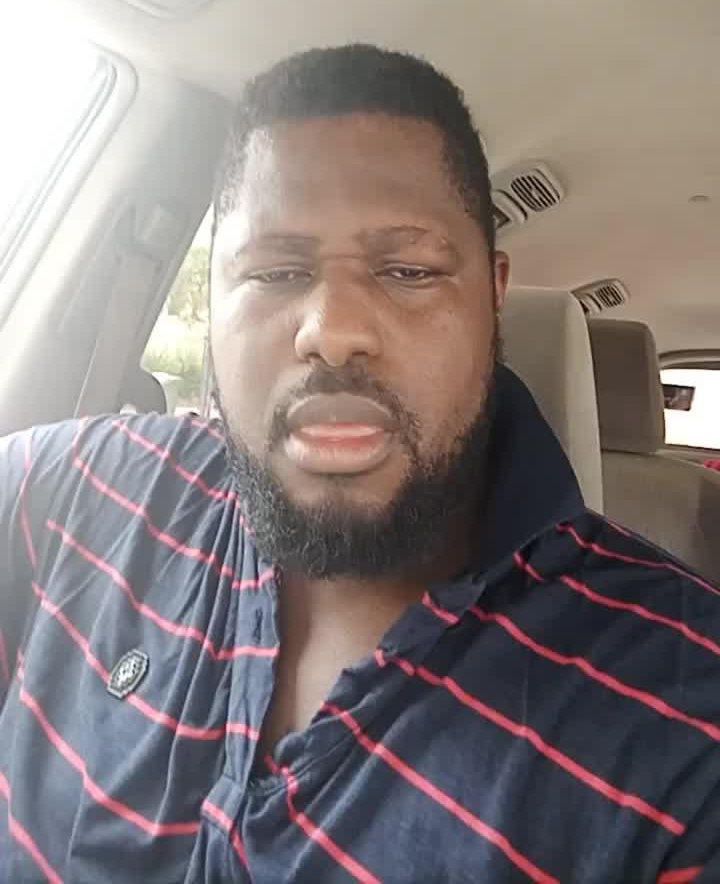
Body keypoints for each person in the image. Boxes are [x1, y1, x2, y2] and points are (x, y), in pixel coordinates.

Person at [0, 44, 718, 884]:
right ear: (214, 300)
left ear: (493, 299)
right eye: (275, 271)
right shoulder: (85, 489)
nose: (332, 330)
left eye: (408, 270)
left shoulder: (683, 722)